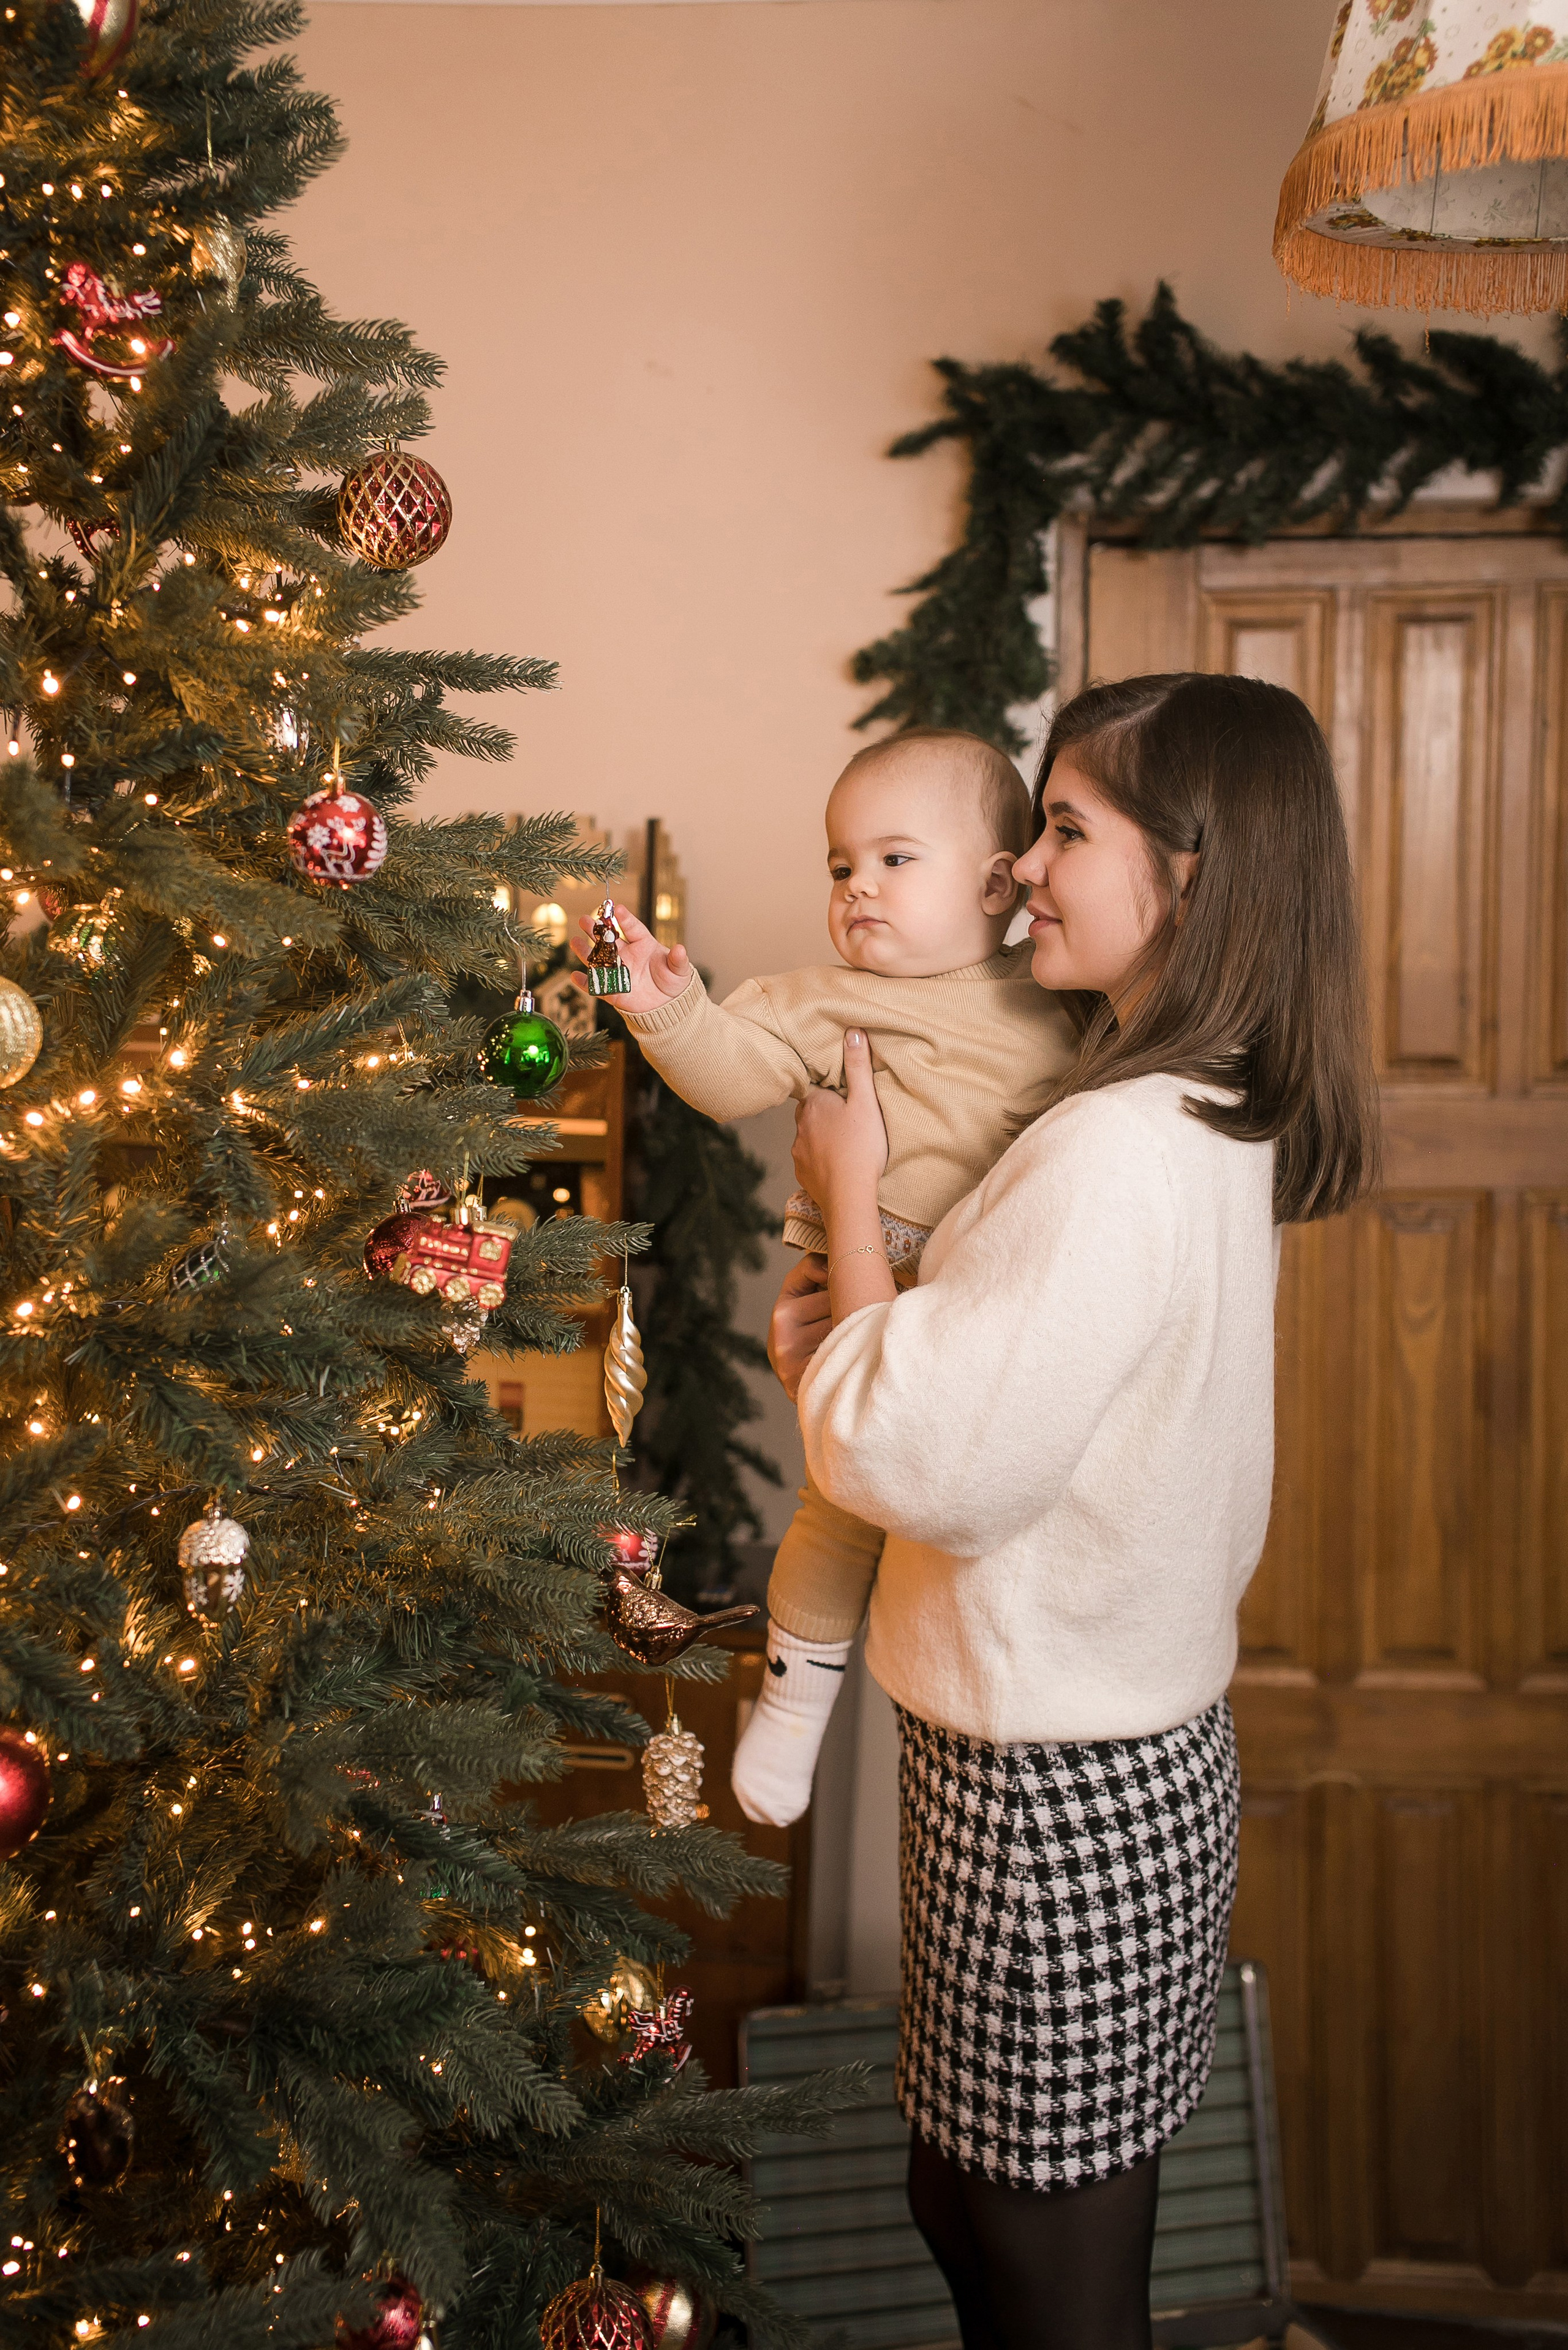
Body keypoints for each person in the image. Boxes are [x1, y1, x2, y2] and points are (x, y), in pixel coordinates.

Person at [767, 673, 1379, 2350]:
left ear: (1183, 871)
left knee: (1046, 2276)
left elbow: (920, 1457)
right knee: (971, 2206)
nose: (1024, 867)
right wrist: (862, 1320)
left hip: (1062, 1794)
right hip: (1080, 1762)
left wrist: (846, 1192)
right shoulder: (1186, 1101)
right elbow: (946, 1385)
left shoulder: (1110, 1146)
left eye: (1066, 827)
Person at [574, 729, 1074, 1826]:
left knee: (978, 1516)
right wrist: (666, 1006)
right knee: (838, 1510)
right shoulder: (822, 998)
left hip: (989, 1307)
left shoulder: (1059, 1000)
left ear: (999, 883)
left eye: (896, 860)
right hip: (859, 1301)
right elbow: (731, 1074)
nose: (858, 888)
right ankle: (792, 1713)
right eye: (842, 866)